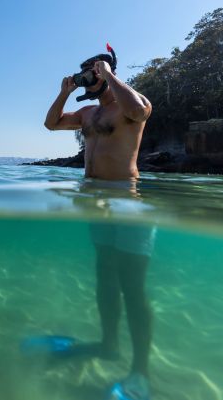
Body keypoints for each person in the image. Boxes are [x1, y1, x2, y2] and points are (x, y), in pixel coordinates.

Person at [44, 52, 154, 400]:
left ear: (106, 74)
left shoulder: (129, 105)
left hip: (126, 200)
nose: (86, 79)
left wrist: (109, 74)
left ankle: (141, 372)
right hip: (94, 199)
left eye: (91, 73)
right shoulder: (88, 114)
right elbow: (51, 124)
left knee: (132, 287)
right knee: (105, 276)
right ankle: (108, 345)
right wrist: (64, 91)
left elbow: (138, 110)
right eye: (83, 74)